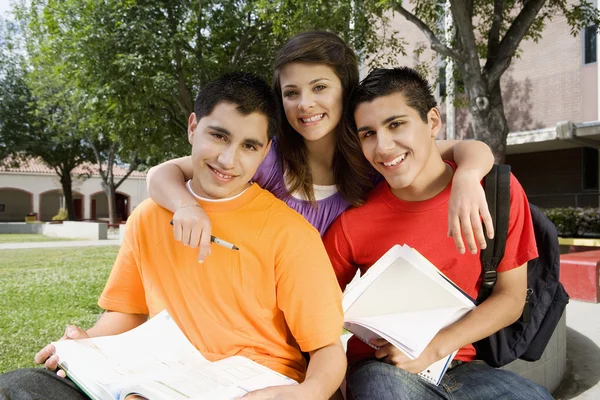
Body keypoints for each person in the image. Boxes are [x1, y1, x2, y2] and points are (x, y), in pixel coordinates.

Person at [0, 72, 346, 400]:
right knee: (19, 386)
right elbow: (129, 313)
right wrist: (85, 343)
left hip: (254, 383)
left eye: (249, 146)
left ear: (265, 150)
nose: (229, 159)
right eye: (219, 136)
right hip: (157, 375)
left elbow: (327, 348)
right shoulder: (148, 217)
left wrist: (309, 393)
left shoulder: (291, 233)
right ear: (193, 127)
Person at [146, 31, 495, 263]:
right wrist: (185, 207)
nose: (305, 104)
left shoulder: (373, 156)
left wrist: (467, 178)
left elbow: (470, 148)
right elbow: (162, 173)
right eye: (291, 93)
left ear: (345, 90)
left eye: (319, 88)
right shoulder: (267, 156)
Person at [322, 67, 553, 399]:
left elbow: (511, 298)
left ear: (432, 121)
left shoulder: (494, 193)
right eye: (368, 133)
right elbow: (317, 313)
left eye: (396, 124)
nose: (383, 146)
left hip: (464, 366)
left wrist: (432, 349)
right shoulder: (352, 223)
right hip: (381, 367)